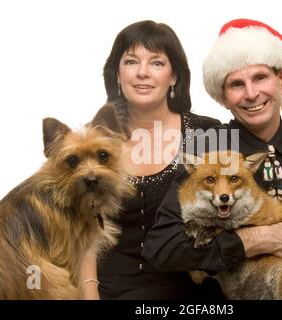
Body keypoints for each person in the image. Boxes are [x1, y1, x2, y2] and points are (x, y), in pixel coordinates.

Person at [143, 19, 282, 283]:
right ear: (223, 96)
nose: (251, 93)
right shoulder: (206, 147)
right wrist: (258, 240)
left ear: (281, 80)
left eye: (260, 78)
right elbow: (163, 247)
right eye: (236, 84)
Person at [79, 20, 223, 300]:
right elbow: (82, 229)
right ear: (117, 75)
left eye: (157, 63)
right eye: (131, 61)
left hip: (190, 285)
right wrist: (88, 292)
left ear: (174, 77)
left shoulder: (208, 133)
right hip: (107, 288)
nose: (142, 73)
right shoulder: (94, 139)